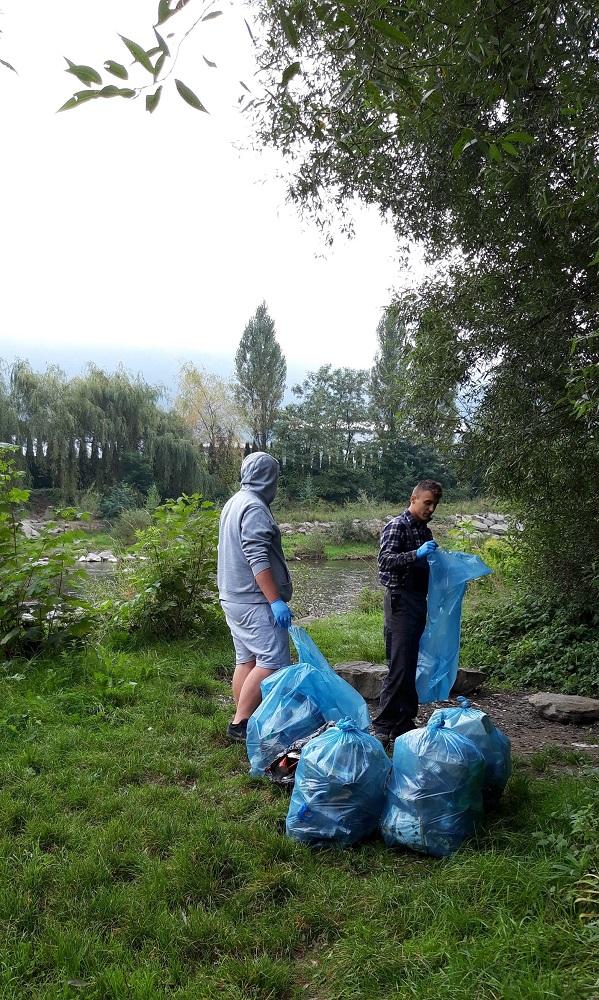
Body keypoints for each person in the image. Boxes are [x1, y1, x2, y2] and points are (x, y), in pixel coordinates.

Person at [217, 451, 293, 743]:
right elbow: (257, 557)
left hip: (232, 597)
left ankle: (244, 716)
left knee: (246, 660)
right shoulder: (254, 507)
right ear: (269, 478)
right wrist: (274, 600)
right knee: (272, 661)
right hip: (253, 600)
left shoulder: (234, 502)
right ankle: (240, 724)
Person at [372, 479, 443, 747]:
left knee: (411, 664)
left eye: (434, 504)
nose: (431, 508)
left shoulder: (426, 532)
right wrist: (416, 554)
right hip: (399, 601)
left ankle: (404, 722)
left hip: (418, 601)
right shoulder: (397, 526)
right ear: (413, 499)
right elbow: (385, 561)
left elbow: (429, 566)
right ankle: (383, 726)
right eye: (427, 503)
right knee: (399, 666)